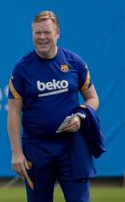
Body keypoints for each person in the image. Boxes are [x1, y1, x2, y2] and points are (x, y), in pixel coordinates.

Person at [7, 10, 99, 202]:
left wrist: (80, 116)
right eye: (37, 33)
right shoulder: (22, 68)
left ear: (57, 33)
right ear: (32, 34)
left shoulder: (75, 62)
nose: (42, 37)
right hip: (36, 149)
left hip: (72, 146)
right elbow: (14, 111)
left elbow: (92, 99)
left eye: (47, 32)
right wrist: (16, 152)